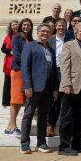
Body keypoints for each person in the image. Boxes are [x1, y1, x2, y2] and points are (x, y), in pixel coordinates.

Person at [20, 24, 58, 154]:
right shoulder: (30, 46)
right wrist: (27, 85)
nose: (45, 34)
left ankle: (41, 143)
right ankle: (24, 143)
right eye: (43, 31)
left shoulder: (51, 49)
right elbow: (25, 68)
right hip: (33, 88)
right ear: (37, 32)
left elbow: (54, 71)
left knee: (43, 116)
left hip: (47, 88)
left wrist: (55, 88)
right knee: (28, 114)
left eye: (48, 32)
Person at [58, 23, 81, 156]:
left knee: (79, 118)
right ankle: (63, 146)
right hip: (72, 87)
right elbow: (64, 66)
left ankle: (76, 144)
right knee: (67, 117)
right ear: (75, 32)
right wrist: (66, 84)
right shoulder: (69, 45)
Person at [8, 18, 34, 137]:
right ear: (21, 26)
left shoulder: (31, 39)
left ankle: (9, 127)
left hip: (27, 72)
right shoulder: (16, 37)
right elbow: (17, 55)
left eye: (28, 25)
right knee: (15, 99)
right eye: (24, 25)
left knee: (20, 100)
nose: (26, 27)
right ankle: (12, 126)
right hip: (18, 70)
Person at [48, 18, 73, 137]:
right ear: (55, 27)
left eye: (63, 26)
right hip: (53, 71)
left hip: (65, 71)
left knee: (65, 100)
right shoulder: (50, 39)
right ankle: (51, 125)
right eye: (59, 26)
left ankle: (65, 127)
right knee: (55, 99)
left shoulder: (70, 40)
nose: (61, 28)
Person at [1, 20, 19, 109]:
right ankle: (5, 102)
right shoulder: (8, 36)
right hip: (9, 61)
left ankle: (15, 100)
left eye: (16, 24)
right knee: (7, 82)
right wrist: (10, 51)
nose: (15, 26)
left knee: (17, 82)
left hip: (19, 62)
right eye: (13, 25)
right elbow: (3, 49)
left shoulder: (22, 35)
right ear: (11, 27)